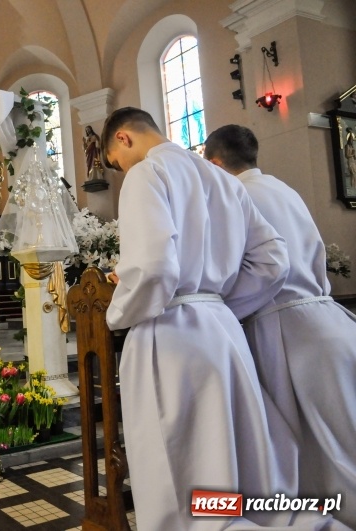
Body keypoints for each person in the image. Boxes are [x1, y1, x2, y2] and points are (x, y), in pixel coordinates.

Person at [100, 107, 343, 530]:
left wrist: (116, 314)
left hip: (171, 337)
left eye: (117, 164)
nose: (123, 171)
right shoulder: (225, 181)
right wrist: (220, 306)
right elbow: (273, 260)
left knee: (184, 487)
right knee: (241, 477)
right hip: (225, 335)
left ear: (124, 138)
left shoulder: (147, 173)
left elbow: (154, 269)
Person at [205, 124, 356, 528]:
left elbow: (255, 270)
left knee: (313, 448)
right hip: (330, 320)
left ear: (215, 164)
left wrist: (218, 312)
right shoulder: (284, 189)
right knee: (344, 439)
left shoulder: (234, 196)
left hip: (287, 330)